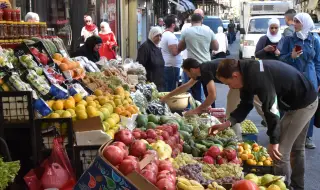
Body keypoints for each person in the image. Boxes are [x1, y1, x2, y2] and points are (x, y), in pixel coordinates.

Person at [210, 59, 318, 190]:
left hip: (303, 104)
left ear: (235, 75)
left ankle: (284, 186)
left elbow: (271, 111)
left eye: (228, 83)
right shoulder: (246, 73)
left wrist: (274, 141)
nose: (230, 87)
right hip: (303, 99)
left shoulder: (258, 78)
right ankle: (297, 186)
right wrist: (226, 124)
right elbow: (246, 104)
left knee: (280, 153)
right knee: (296, 148)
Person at [161, 58, 243, 138]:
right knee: (234, 107)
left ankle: (238, 139)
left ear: (192, 70)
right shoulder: (200, 71)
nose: (188, 76)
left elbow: (212, 95)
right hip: (237, 77)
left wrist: (196, 111)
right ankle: (237, 136)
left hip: (239, 78)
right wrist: (167, 97)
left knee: (232, 111)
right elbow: (185, 87)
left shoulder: (205, 70)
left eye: (187, 73)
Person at [279, 13, 320, 149]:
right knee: (290, 105)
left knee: (308, 107)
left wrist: (318, 81)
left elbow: (318, 62)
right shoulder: (288, 40)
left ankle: (307, 137)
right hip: (293, 77)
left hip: (310, 77)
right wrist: (291, 56)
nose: (294, 24)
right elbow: (281, 60)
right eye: (294, 21)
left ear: (305, 23)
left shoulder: (315, 40)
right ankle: (286, 134)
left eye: (297, 22)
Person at [178, 13, 219, 106]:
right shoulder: (208, 30)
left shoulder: (186, 32)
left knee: (195, 93)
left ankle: (198, 112)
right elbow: (216, 47)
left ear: (191, 21)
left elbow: (180, 47)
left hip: (193, 68)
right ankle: (212, 111)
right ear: (202, 21)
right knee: (209, 92)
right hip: (207, 65)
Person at [137, 27, 165, 92]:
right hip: (150, 83)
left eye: (160, 36)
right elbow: (140, 65)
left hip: (159, 83)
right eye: (157, 36)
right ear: (152, 35)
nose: (159, 38)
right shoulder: (145, 47)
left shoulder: (157, 46)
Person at [160, 15, 183, 92]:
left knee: (168, 89)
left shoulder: (164, 34)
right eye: (177, 22)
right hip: (171, 67)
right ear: (173, 25)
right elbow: (174, 52)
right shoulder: (170, 36)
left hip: (169, 66)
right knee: (171, 91)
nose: (178, 24)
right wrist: (182, 47)